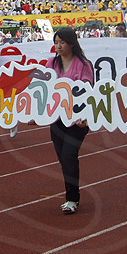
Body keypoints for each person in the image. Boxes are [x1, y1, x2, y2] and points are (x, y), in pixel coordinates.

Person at [45, 27, 94, 214]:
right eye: (56, 42)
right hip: (57, 118)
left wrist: (85, 116)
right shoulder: (51, 63)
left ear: (71, 43)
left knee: (69, 155)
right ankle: (71, 194)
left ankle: (72, 199)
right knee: (63, 159)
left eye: (62, 42)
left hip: (77, 120)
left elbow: (87, 90)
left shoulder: (83, 64)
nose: (58, 46)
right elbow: (42, 87)